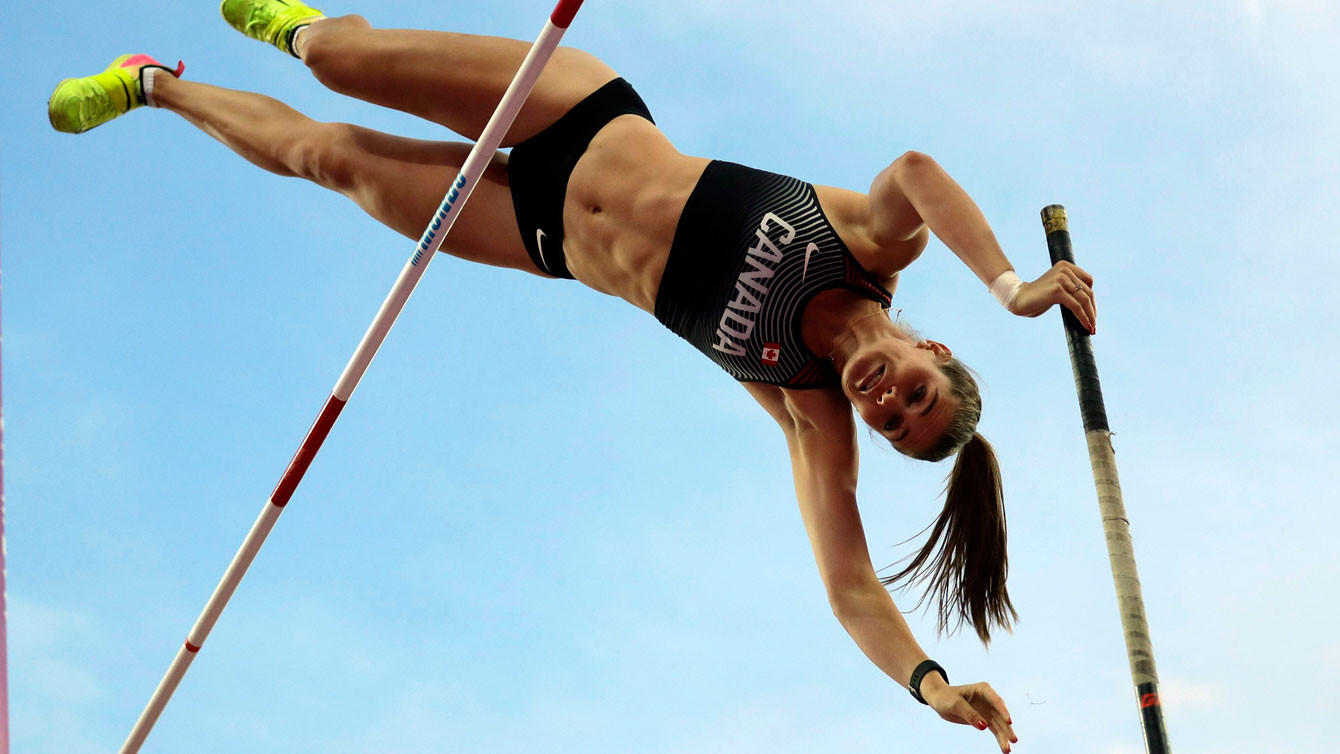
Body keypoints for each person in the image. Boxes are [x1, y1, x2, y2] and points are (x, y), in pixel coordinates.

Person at [50, 3, 1098, 750]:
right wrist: (1008, 283)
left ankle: (157, 84)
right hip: (580, 114)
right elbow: (914, 170)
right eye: (913, 391)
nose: (883, 402)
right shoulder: (868, 241)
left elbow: (846, 583)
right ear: (934, 350)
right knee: (331, 56)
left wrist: (928, 687)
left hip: (542, 233)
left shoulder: (804, 408)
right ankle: (288, 22)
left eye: (891, 424)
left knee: (329, 157)